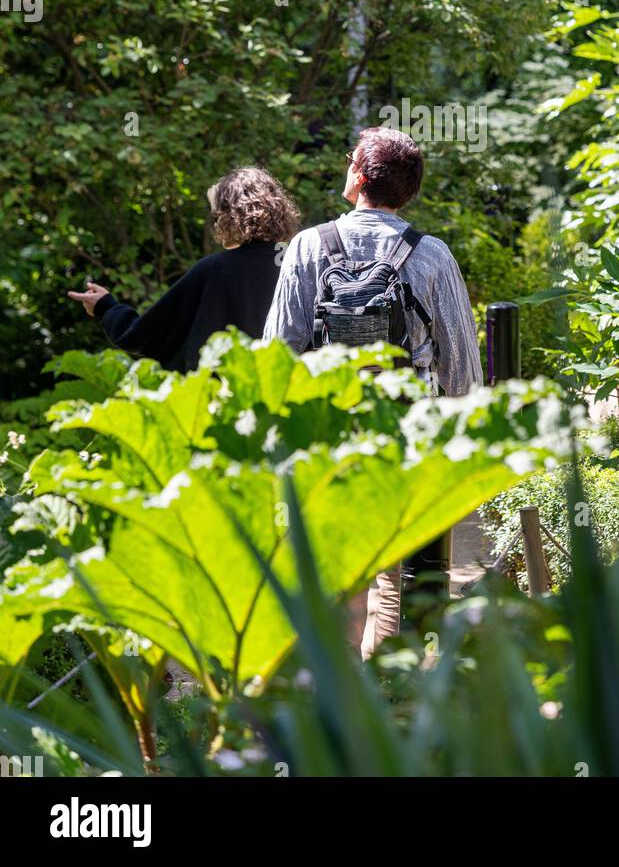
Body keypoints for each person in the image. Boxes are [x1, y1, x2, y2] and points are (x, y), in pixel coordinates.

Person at [263, 127, 482, 655]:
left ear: (358, 175)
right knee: (399, 574)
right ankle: (390, 692)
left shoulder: (307, 247)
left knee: (335, 572)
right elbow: (463, 374)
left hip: (327, 439)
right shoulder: (432, 256)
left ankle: (334, 696)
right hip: (408, 438)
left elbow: (275, 355)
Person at [68, 167, 299, 373]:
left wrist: (105, 307)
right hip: (282, 401)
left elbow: (144, 336)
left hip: (219, 406)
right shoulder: (298, 265)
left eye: (217, 215)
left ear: (229, 217)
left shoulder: (215, 270)